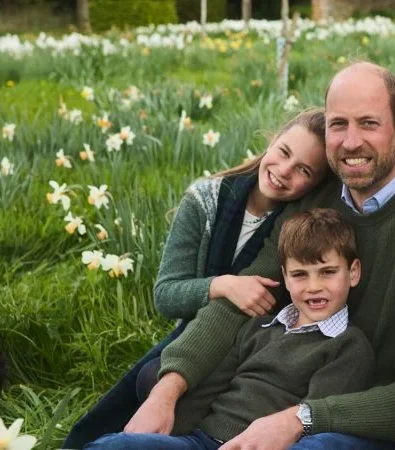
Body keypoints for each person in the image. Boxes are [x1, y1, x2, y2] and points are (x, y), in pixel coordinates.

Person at [149, 61, 395, 450]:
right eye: (338, 124)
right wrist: (167, 389)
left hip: (361, 426)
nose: (351, 141)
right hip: (266, 408)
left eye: (369, 124)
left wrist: (300, 419)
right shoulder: (312, 202)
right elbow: (246, 300)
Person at [64, 109, 331, 449]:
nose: (284, 171)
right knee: (150, 380)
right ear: (272, 141)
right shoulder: (205, 199)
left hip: (253, 344)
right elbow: (166, 295)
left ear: (316, 184)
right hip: (198, 335)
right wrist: (223, 285)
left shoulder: (297, 222)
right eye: (283, 152)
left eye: (304, 170)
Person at [83, 208, 375, 449]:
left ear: (353, 272)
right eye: (300, 275)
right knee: (117, 445)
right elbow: (210, 386)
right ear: (284, 277)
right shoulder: (259, 327)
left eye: (327, 272)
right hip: (201, 441)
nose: (314, 287)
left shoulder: (348, 346)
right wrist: (167, 430)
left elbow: (315, 417)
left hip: (264, 446)